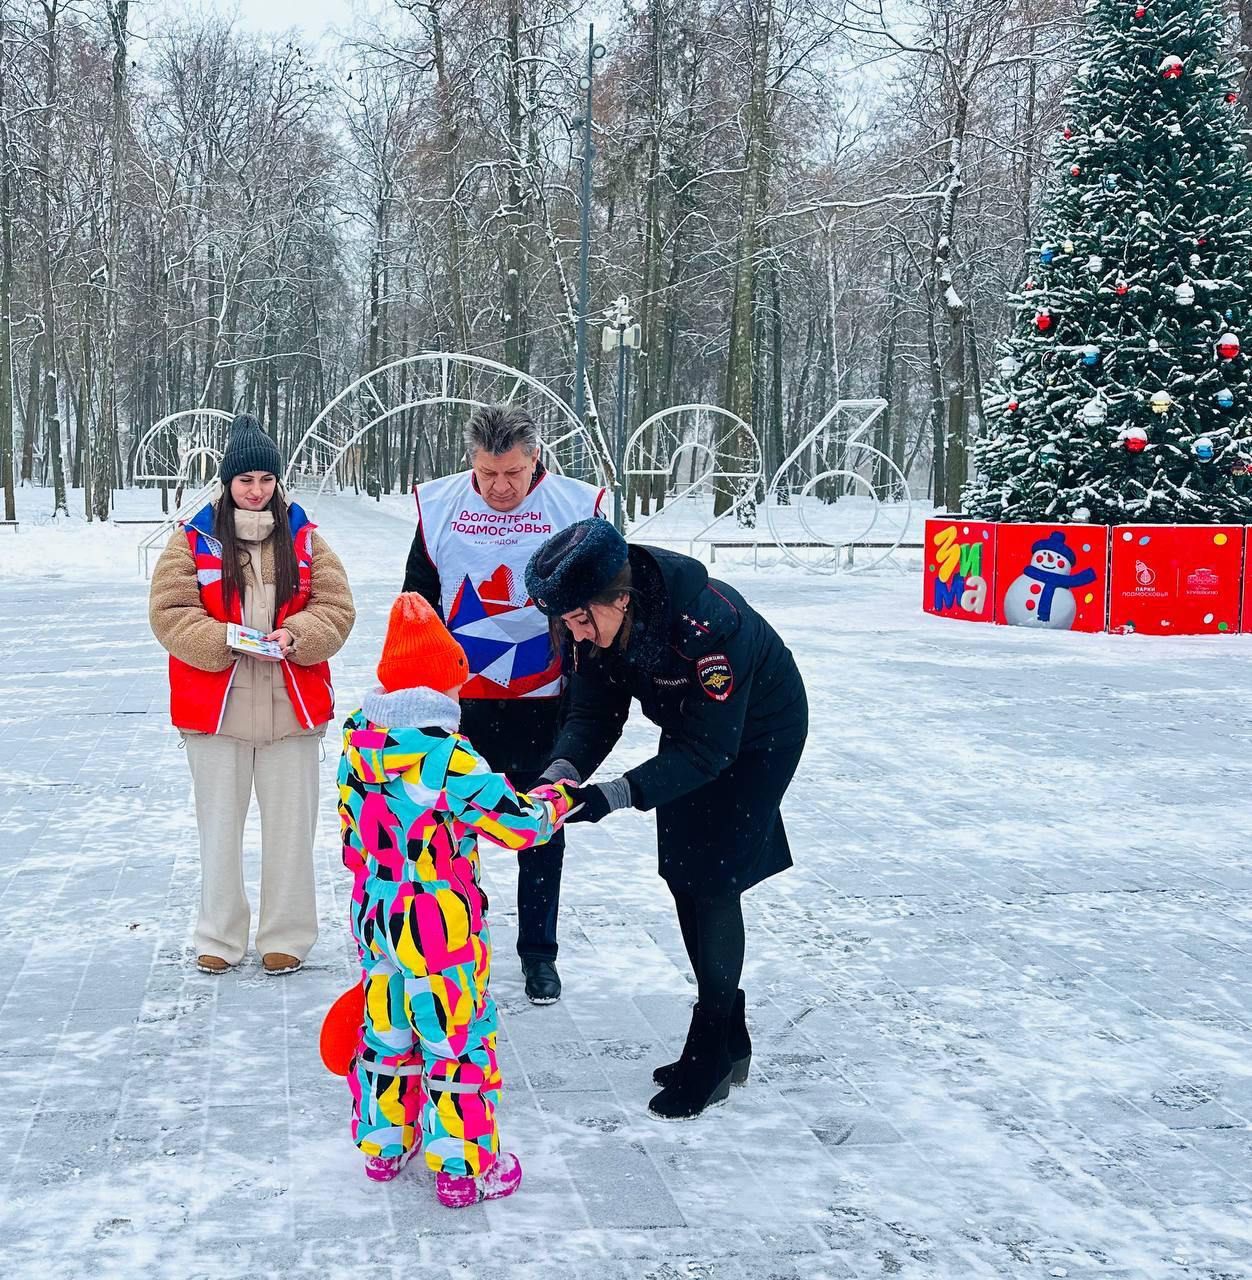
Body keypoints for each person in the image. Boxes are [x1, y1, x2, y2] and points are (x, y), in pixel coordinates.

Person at [525, 518, 809, 1121]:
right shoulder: (594, 618)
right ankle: (729, 1039)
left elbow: (713, 751)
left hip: (758, 736)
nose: (574, 633)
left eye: (581, 619)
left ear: (620, 598)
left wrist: (611, 797)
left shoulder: (707, 627)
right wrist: (561, 773)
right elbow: (595, 713)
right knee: (683, 871)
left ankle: (710, 1050)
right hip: (693, 735)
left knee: (713, 881)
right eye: (565, 621)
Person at [337, 593, 573, 1207]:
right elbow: (518, 825)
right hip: (438, 924)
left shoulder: (358, 747)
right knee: (456, 1040)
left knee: (387, 1029)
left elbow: (349, 836)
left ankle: (385, 1147)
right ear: (444, 689)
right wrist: (556, 801)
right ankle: (464, 1168)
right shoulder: (448, 757)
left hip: (375, 910)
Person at [402, 403, 605, 1005]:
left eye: (513, 472)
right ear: (472, 462)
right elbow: (415, 601)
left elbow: (605, 602)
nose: (501, 486)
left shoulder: (573, 507)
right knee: (449, 832)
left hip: (547, 702)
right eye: (488, 473)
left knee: (541, 825)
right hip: (460, 705)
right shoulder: (439, 508)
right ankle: (462, 945)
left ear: (534, 458)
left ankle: (539, 954)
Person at [148, 413, 355, 976]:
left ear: (277, 483)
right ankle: (219, 934)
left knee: (291, 830)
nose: (257, 490)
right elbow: (169, 613)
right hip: (215, 713)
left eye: (266, 479)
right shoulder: (192, 541)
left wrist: (298, 636)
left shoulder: (307, 539)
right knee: (218, 830)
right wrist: (222, 640)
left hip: (292, 709)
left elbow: (336, 609)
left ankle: (286, 934)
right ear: (227, 483)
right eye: (246, 481)